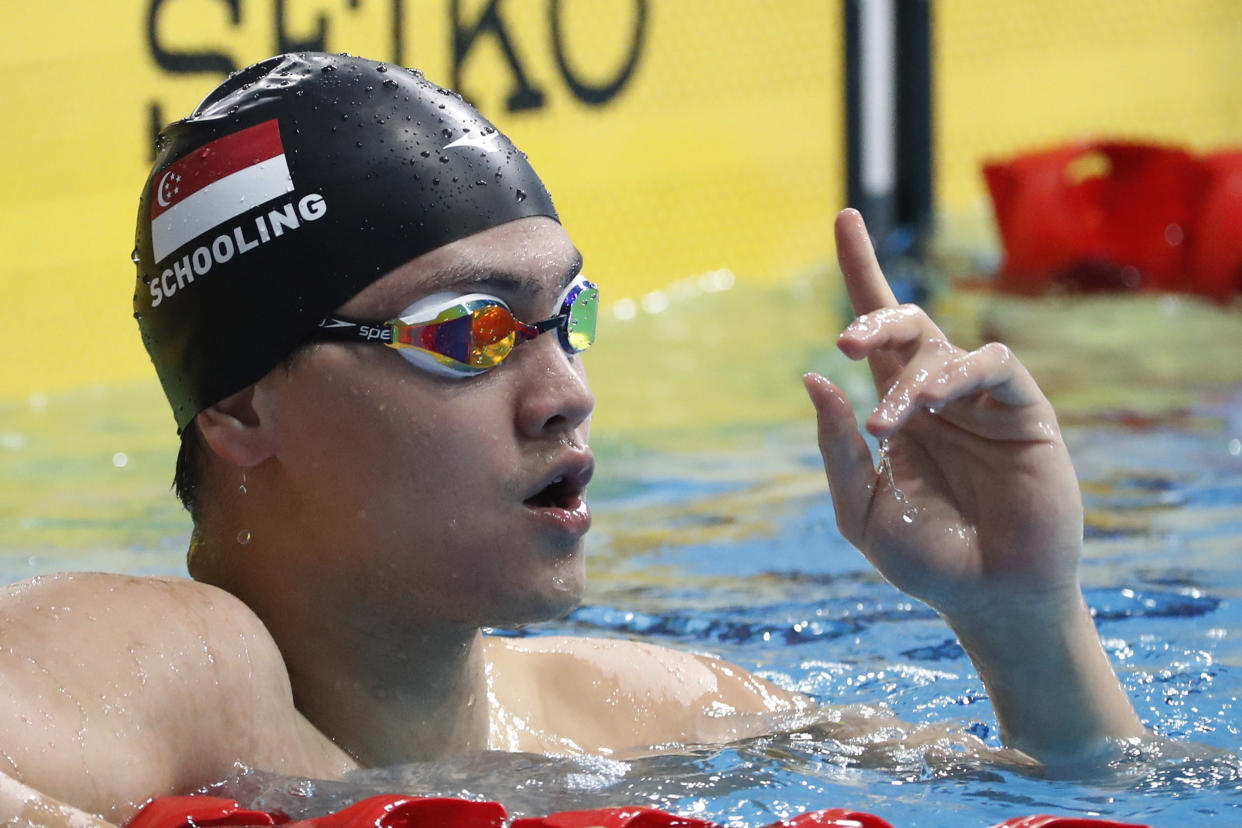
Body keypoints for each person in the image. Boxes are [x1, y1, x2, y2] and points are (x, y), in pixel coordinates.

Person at [0, 53, 1145, 826]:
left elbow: (1088, 794)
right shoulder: (174, 665)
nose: (564, 393)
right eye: (468, 333)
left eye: (567, 318)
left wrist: (1024, 618)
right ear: (241, 409)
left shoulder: (648, 719)